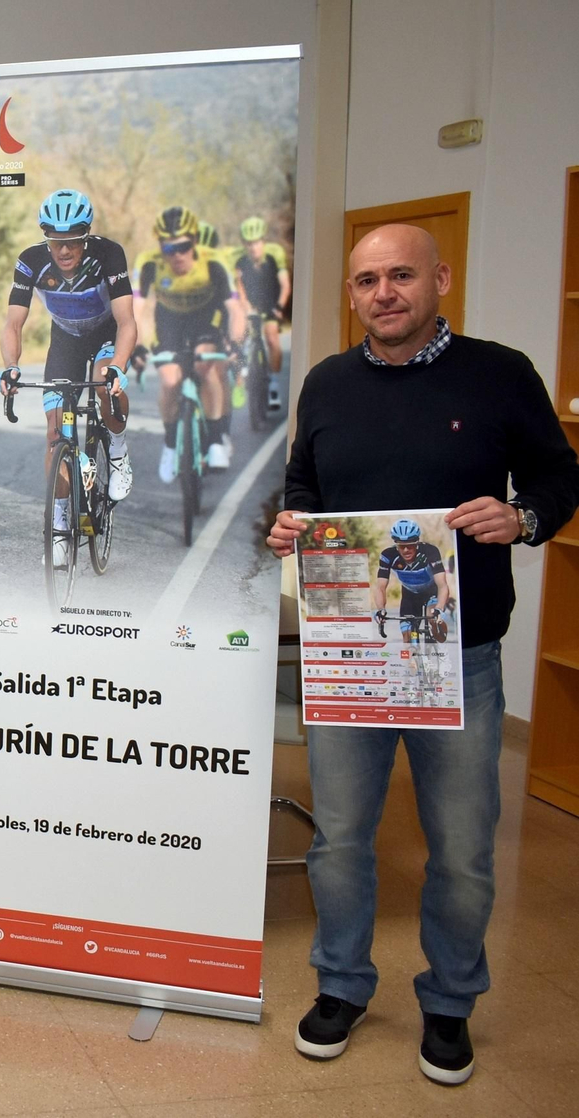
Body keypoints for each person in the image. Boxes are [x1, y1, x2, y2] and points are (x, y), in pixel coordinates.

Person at [266, 223, 579, 1085]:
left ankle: (448, 1002)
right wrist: (293, 523)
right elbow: (306, 485)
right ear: (353, 294)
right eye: (367, 280)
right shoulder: (327, 383)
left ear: (439, 277)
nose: (384, 293)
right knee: (339, 840)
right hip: (351, 656)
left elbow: (561, 477)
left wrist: (523, 519)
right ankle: (341, 984)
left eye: (401, 275)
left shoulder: (501, 373)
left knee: (464, 847)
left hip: (460, 657)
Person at [0, 190, 138, 567]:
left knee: (104, 377)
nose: (63, 250)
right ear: (46, 238)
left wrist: (119, 366)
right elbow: (13, 322)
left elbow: (127, 321)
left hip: (107, 336)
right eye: (56, 240)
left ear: (86, 236)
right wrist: (11, 366)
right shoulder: (31, 261)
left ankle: (119, 451)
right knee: (54, 433)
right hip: (66, 341)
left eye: (73, 240)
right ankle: (60, 528)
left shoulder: (108, 254)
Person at [134, 205, 244, 479]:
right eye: (169, 249)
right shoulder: (149, 263)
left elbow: (234, 310)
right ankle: (171, 445)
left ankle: (217, 439)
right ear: (160, 248)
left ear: (194, 241)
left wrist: (235, 343)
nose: (177, 255)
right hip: (169, 324)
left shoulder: (214, 262)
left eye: (183, 246)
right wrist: (137, 345)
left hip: (204, 321)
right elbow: (137, 309)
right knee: (170, 381)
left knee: (205, 366)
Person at [372, 517, 452, 642]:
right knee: (407, 635)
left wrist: (440, 608)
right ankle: (412, 660)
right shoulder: (388, 555)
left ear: (417, 542)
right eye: (401, 546)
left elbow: (442, 585)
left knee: (432, 618)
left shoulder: (430, 551)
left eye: (410, 546)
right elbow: (380, 587)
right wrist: (381, 609)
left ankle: (440, 644)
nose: (406, 550)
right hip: (409, 595)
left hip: (432, 592)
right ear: (395, 544)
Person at [235, 216, 292, 376]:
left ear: (263, 241)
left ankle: (273, 380)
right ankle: (240, 378)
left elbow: (285, 285)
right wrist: (245, 307)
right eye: (249, 243)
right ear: (245, 244)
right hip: (251, 304)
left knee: (271, 338)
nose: (253, 247)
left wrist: (279, 307)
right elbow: (239, 287)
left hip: (272, 303)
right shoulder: (240, 260)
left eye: (257, 242)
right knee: (240, 337)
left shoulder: (275, 254)